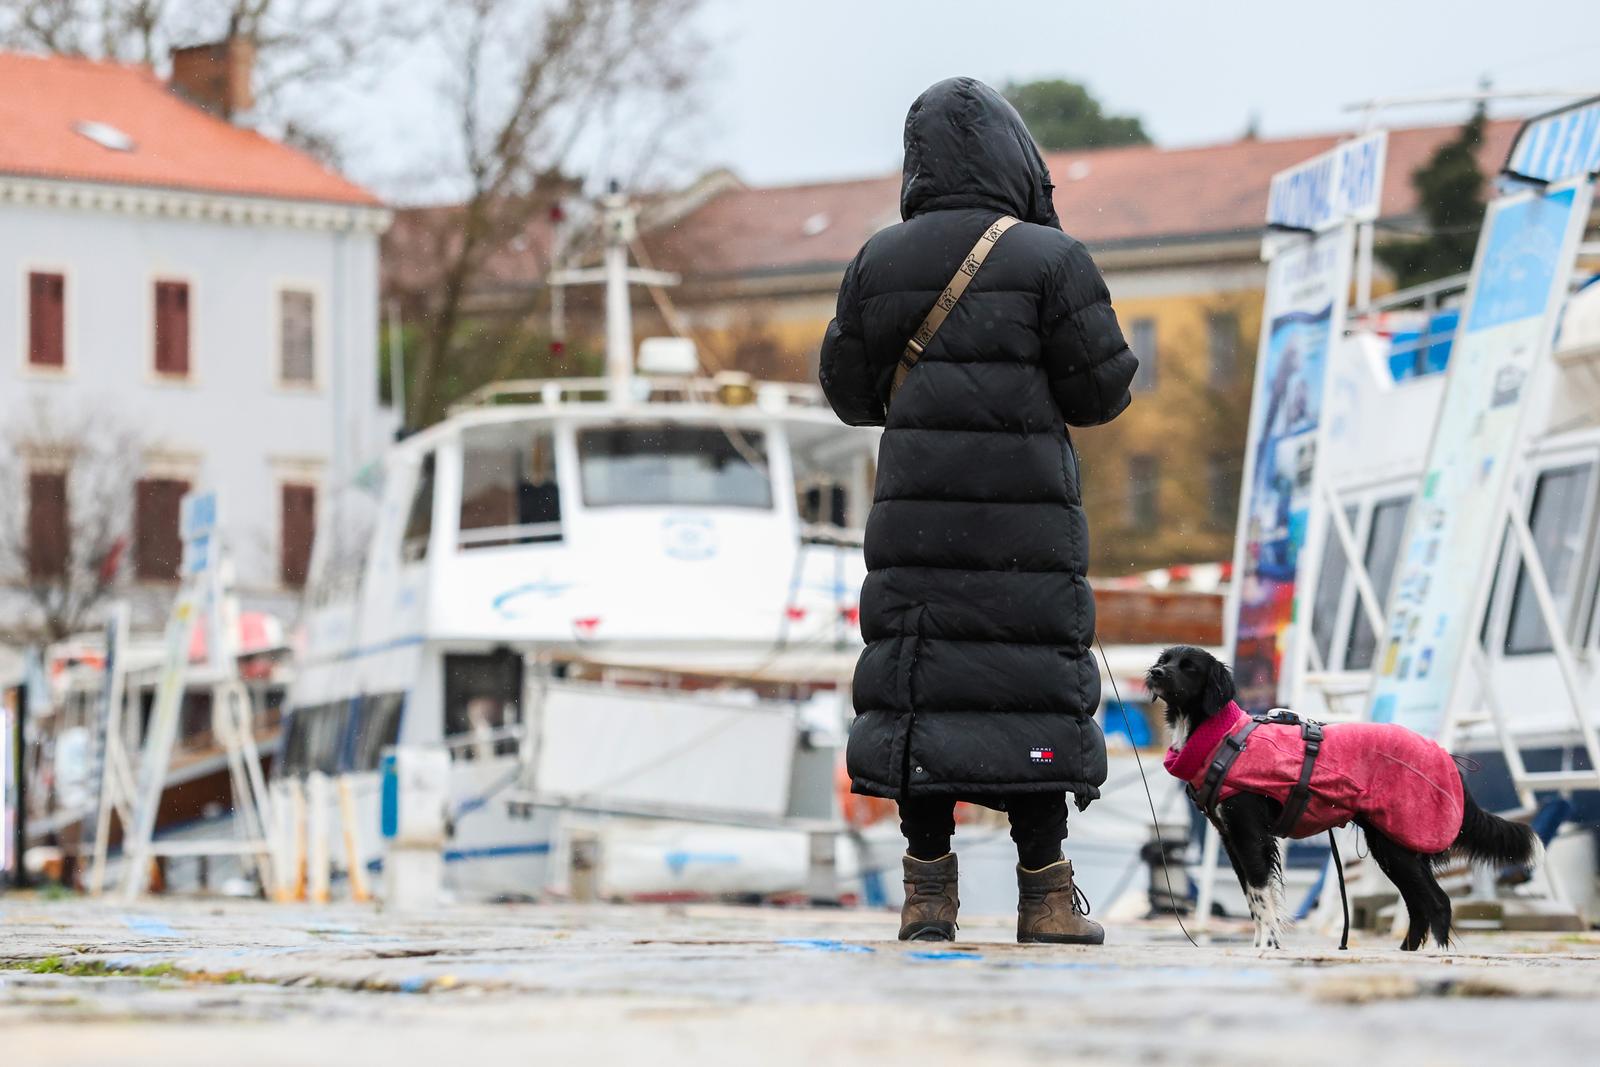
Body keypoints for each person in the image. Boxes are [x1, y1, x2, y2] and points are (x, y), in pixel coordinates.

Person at [819, 77, 1138, 944]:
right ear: (1015, 157)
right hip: (1025, 527)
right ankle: (1045, 895)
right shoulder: (1048, 259)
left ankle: (927, 895)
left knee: (923, 688)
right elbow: (1101, 390)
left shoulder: (879, 260)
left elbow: (848, 393)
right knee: (1026, 686)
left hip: (918, 519)